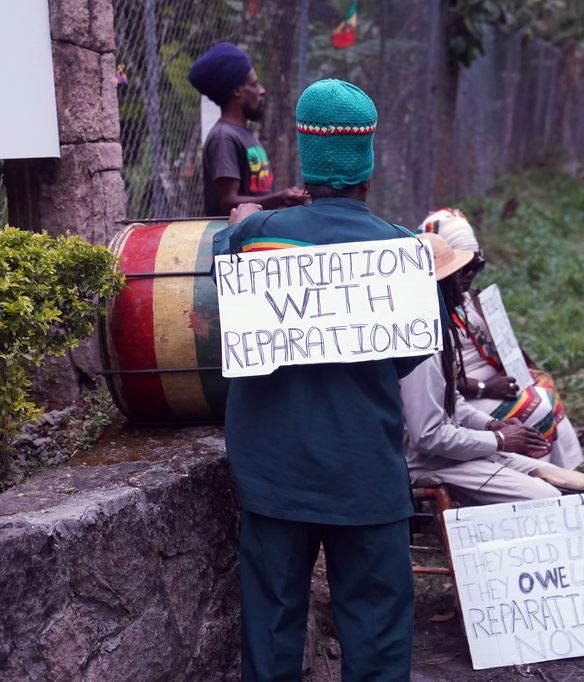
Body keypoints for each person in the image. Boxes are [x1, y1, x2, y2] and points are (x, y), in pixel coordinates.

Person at [214, 79, 431, 681]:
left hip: (274, 477)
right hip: (367, 473)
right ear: (367, 162)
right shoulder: (401, 251)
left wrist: (241, 224)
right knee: (379, 630)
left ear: (306, 162)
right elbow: (410, 354)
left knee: (274, 626)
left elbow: (226, 324)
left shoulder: (253, 240)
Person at [402, 232, 584, 555]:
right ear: (437, 288)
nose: (463, 285)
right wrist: (498, 441)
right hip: (430, 464)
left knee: (576, 488)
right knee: (547, 498)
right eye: (453, 278)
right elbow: (428, 437)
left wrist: (491, 427)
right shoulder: (421, 350)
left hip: (452, 452)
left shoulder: (437, 330)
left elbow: (452, 402)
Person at [418, 208, 584, 470]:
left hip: (488, 390)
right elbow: (439, 392)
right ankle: (542, 476)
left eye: (477, 265)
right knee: (538, 407)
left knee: (542, 389)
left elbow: (505, 346)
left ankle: (564, 475)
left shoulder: (469, 298)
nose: (471, 274)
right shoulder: (430, 316)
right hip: (467, 397)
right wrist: (485, 389)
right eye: (463, 268)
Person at [188, 42, 308, 216]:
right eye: (255, 85)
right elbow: (227, 202)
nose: (262, 91)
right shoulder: (224, 137)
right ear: (238, 91)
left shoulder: (243, 133)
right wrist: (281, 198)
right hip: (235, 239)